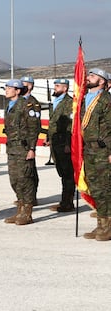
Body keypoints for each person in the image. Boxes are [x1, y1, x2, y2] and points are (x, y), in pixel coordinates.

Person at [3, 79, 41, 225]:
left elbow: (33, 128)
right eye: (5, 88)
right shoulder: (9, 105)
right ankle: (20, 210)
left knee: (26, 179)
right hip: (12, 148)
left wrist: (32, 148)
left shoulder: (26, 105)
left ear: (17, 91)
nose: (6, 90)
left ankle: (27, 213)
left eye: (9, 88)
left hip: (23, 148)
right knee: (15, 180)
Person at [81, 68, 111, 241]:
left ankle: (107, 227)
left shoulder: (106, 100)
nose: (88, 78)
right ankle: (101, 224)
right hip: (89, 149)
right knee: (95, 188)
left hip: (102, 150)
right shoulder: (84, 98)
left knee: (105, 189)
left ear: (101, 81)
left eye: (92, 76)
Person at [45, 79, 75, 212]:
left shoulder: (69, 103)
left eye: (57, 86)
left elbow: (71, 125)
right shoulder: (55, 103)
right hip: (56, 141)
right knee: (62, 172)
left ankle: (68, 202)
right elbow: (52, 123)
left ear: (65, 88)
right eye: (55, 86)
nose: (55, 88)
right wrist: (48, 138)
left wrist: (69, 144)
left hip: (64, 142)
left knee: (68, 173)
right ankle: (64, 201)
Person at [20, 76, 40, 205]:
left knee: (30, 171)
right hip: (19, 142)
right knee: (22, 171)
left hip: (28, 141)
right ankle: (24, 196)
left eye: (24, 84)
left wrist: (32, 146)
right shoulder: (18, 102)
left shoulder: (33, 103)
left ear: (30, 86)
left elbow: (34, 126)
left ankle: (31, 197)